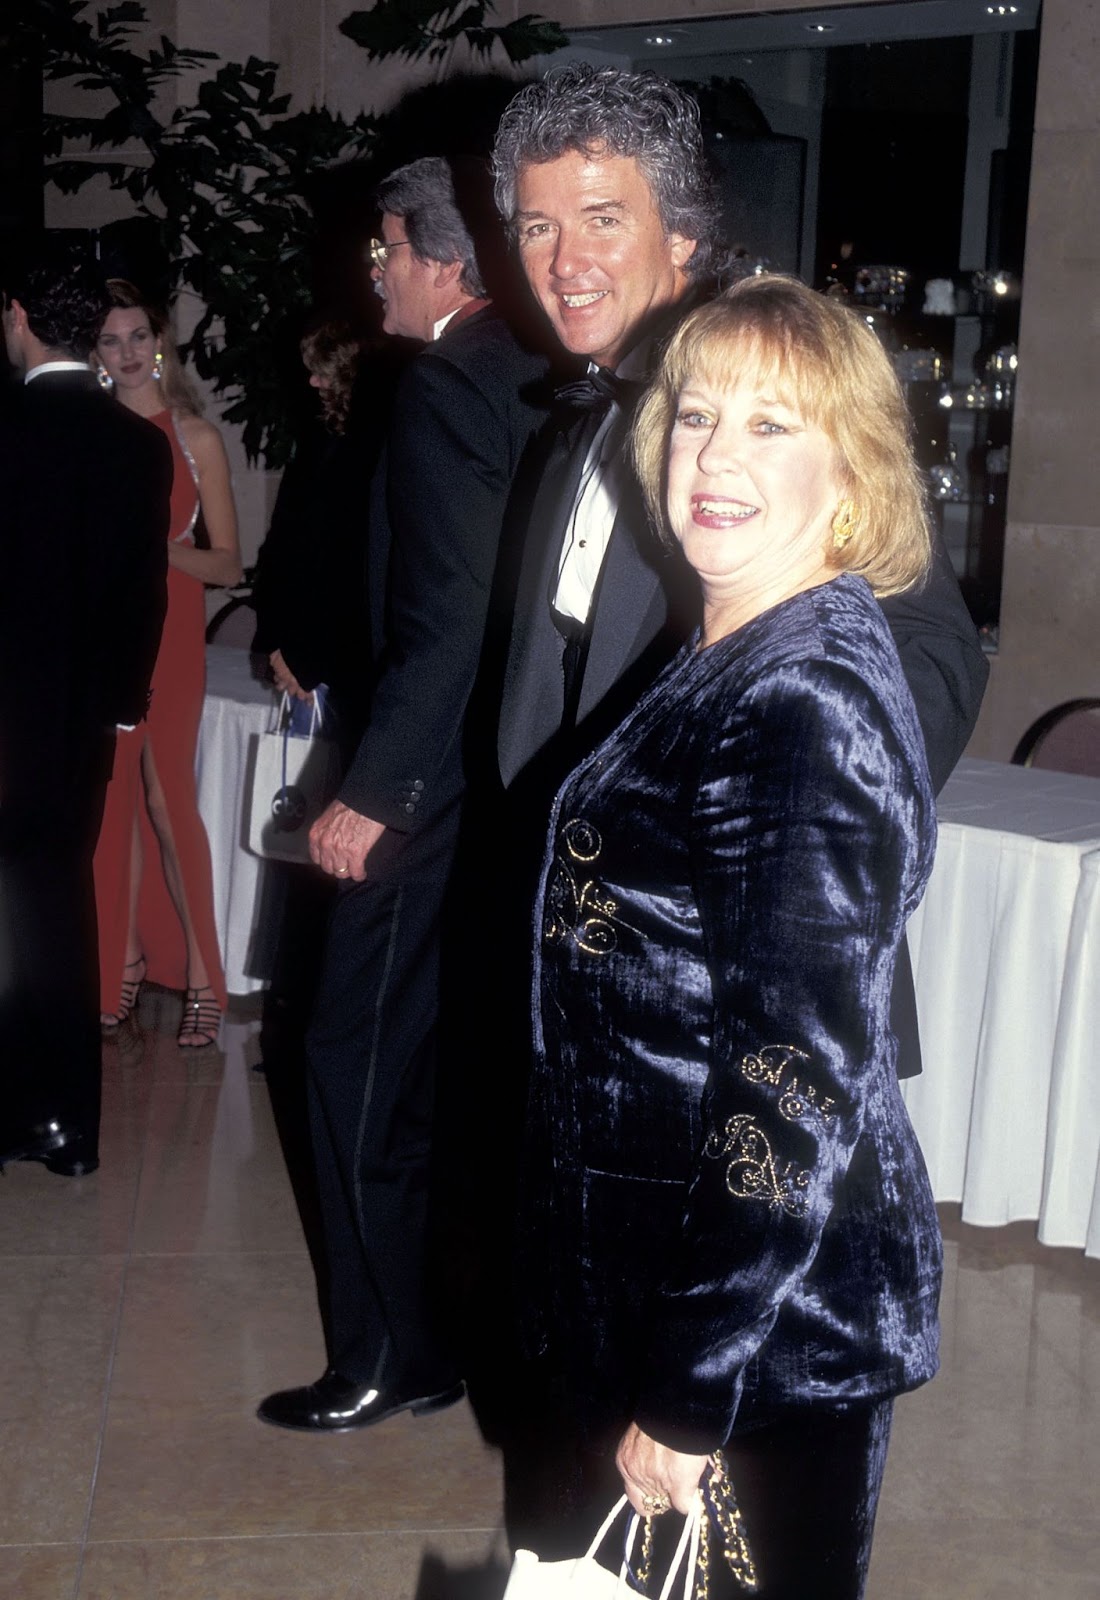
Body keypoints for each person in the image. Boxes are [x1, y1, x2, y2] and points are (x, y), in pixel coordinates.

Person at [526, 273, 942, 1600]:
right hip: (679, 1271)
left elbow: (796, 1077)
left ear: (853, 467)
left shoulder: (802, 695)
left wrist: (693, 1386)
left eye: (772, 426)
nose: (715, 456)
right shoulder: (742, 639)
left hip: (758, 1323)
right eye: (698, 415)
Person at [489, 63, 989, 1077]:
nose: (563, 261)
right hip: (582, 965)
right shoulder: (571, 422)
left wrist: (779, 820)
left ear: (679, 234)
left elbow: (934, 650)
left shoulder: (774, 397)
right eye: (536, 227)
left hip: (732, 994)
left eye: (599, 219)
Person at [257, 156, 551, 1433]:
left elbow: (442, 621)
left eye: (386, 250)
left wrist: (375, 794)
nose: (371, 269)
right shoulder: (540, 376)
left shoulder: (442, 384)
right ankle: (440, 1332)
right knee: (436, 1078)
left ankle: (386, 1351)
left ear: (445, 263)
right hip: (503, 788)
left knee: (352, 1061)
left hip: (423, 794)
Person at [0, 242, 169, 1176]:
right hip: (81, 722)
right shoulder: (136, 445)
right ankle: (66, 1130)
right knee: (59, 907)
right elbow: (140, 592)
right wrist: (118, 706)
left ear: (19, 316)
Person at [91, 279, 242, 1048]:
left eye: (136, 337)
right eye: (109, 340)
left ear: (158, 343)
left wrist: (153, 552)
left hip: (173, 630)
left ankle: (205, 981)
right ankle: (119, 963)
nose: (124, 353)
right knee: (109, 803)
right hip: (101, 636)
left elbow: (227, 564)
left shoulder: (194, 437)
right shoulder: (82, 431)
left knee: (166, 801)